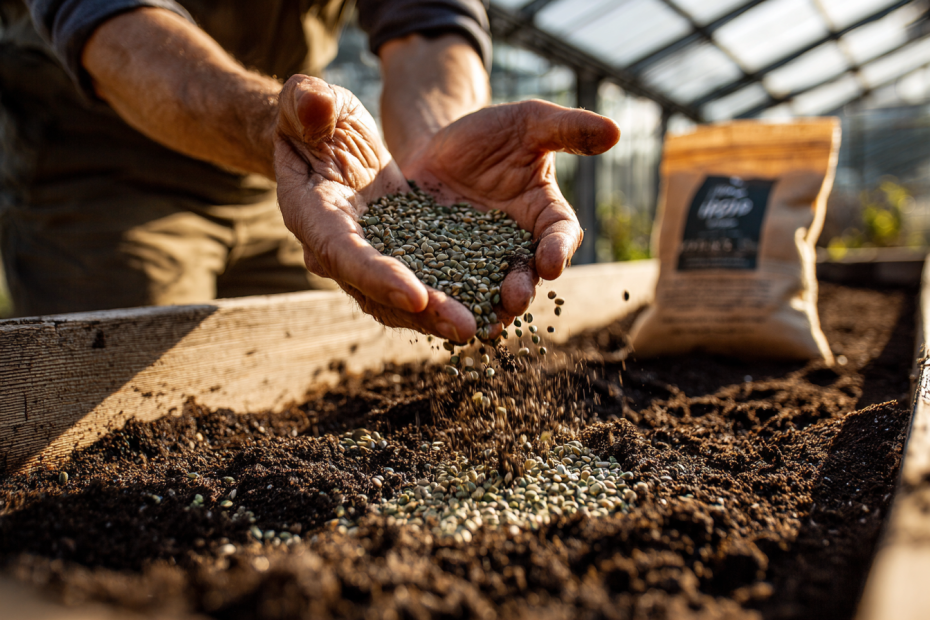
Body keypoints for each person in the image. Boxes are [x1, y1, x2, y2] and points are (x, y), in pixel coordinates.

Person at [0, 0, 620, 343]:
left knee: (326, 362)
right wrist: (275, 126)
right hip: (103, 166)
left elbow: (429, 23)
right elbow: (110, 24)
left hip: (306, 173)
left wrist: (438, 142)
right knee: (120, 389)